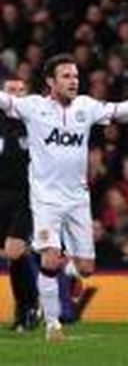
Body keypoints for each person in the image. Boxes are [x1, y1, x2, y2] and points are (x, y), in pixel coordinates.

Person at [0, 54, 128, 341]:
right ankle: (52, 325)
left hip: (78, 200)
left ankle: (68, 271)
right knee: (49, 259)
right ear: (50, 82)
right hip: (44, 199)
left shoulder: (86, 107)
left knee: (86, 268)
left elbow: (125, 108)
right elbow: (4, 100)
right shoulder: (32, 107)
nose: (74, 81)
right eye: (67, 76)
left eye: (76, 76)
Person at [0, 77, 39, 332]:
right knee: (13, 256)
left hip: (25, 196)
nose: (15, 95)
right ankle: (25, 308)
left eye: (20, 91)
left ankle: (29, 305)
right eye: (10, 91)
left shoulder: (36, 124)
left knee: (14, 251)